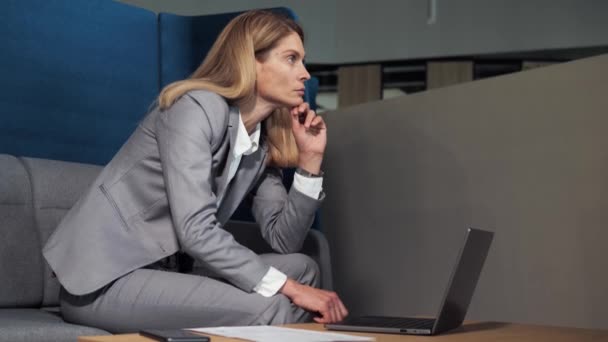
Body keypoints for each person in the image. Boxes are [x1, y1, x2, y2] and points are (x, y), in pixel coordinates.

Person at [42, 10, 348, 333]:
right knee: (275, 303)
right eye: (291, 59)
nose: (305, 74)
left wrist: (310, 160)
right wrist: (289, 289)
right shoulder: (195, 109)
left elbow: (284, 241)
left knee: (304, 269)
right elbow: (196, 230)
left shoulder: (259, 144)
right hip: (106, 280)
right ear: (252, 61)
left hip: (171, 274)